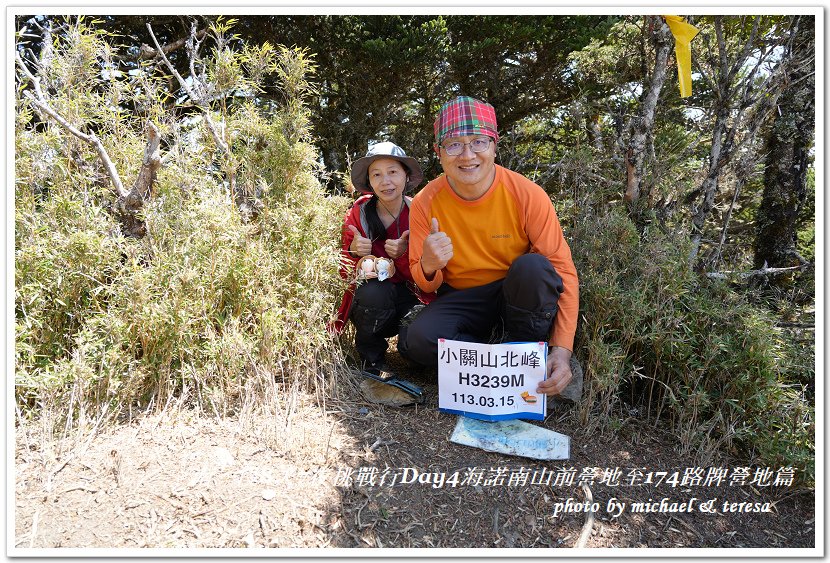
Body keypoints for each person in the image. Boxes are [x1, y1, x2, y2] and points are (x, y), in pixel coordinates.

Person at [399, 96, 579, 397]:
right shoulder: (425, 203)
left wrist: (562, 351)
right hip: (463, 298)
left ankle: (523, 350)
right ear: (438, 153)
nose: (467, 155)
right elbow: (426, 286)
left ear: (494, 145)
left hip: (517, 294)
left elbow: (563, 272)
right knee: (417, 339)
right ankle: (493, 357)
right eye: (454, 145)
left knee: (534, 267)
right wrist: (429, 264)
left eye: (479, 142)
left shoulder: (527, 195)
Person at [332, 141, 433, 379]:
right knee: (373, 290)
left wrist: (406, 252)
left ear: (406, 176)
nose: (385, 181)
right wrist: (354, 251)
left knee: (417, 340)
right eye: (376, 174)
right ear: (369, 181)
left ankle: (414, 357)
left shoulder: (420, 212)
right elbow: (344, 269)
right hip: (374, 299)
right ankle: (372, 358)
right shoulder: (359, 211)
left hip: (412, 296)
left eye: (393, 172)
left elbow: (429, 270)